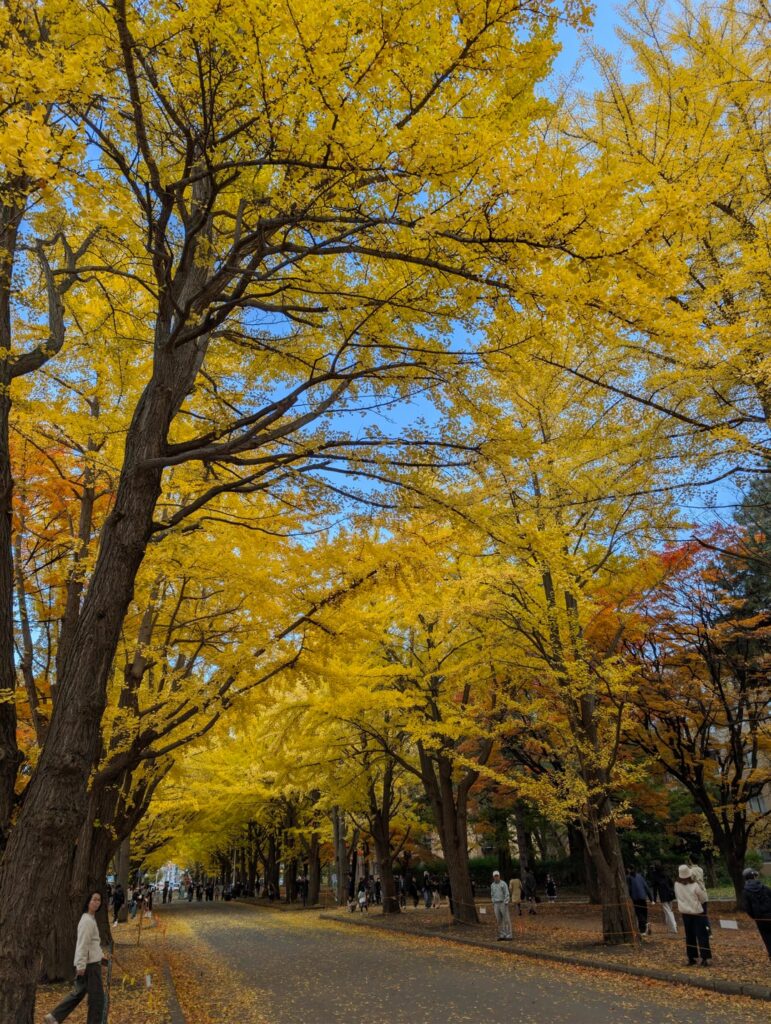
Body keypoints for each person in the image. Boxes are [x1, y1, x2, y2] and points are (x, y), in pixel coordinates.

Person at [44, 892, 108, 1024]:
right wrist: (80, 965)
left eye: (99, 900)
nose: (97, 902)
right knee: (97, 1000)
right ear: (88, 902)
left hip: (91, 963)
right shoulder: (86, 921)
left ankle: (54, 1016)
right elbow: (82, 944)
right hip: (90, 966)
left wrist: (102, 957)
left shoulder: (91, 919)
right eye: (94, 900)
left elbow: (93, 944)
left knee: (78, 993)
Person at [674, 864, 711, 966]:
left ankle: (691, 957)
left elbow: (677, 897)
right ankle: (704, 957)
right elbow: (703, 898)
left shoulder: (677, 885)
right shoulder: (695, 885)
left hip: (685, 913)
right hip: (697, 913)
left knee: (689, 936)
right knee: (702, 935)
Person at [742, 867, 771, 960]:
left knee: (766, 936)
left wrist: (755, 917)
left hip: (760, 918)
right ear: (754, 876)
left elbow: (747, 908)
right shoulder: (764, 887)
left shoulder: (746, 892)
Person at [650, 863, 677, 934]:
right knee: (668, 911)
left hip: (664, 896)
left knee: (668, 912)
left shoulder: (655, 876)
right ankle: (670, 928)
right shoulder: (666, 874)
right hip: (670, 895)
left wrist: (654, 899)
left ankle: (674, 927)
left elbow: (654, 889)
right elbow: (671, 883)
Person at [627, 865, 653, 936]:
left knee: (639, 914)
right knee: (644, 913)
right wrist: (651, 898)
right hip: (643, 897)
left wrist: (630, 897)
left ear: (628, 869)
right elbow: (646, 886)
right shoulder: (640, 876)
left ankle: (644, 928)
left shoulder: (629, 878)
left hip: (636, 898)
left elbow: (629, 889)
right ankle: (644, 929)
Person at [490, 871, 512, 941]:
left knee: (506, 919)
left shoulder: (503, 884)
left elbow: (507, 893)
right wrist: (493, 901)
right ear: (493, 877)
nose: (496, 877)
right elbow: (492, 894)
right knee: (499, 920)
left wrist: (506, 901)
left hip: (503, 902)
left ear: (499, 876)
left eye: (497, 876)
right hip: (496, 904)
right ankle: (502, 934)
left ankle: (509, 934)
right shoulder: (492, 885)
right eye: (495, 876)